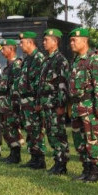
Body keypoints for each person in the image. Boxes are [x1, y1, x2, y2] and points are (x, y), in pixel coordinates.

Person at [68, 28, 98, 182]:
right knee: (80, 140)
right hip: (77, 107)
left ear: (84, 41)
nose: (71, 43)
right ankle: (86, 169)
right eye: (70, 41)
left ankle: (95, 171)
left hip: (90, 106)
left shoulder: (94, 59)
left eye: (74, 40)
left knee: (93, 139)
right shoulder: (76, 60)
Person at [37, 28, 70, 175]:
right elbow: (41, 83)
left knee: (58, 134)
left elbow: (63, 84)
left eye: (46, 40)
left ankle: (62, 163)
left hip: (56, 104)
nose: (43, 42)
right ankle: (57, 161)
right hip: (47, 104)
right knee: (51, 133)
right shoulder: (46, 60)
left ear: (55, 41)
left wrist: (61, 105)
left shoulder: (60, 60)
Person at [17, 31, 47, 169]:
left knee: (36, 130)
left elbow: (40, 83)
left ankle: (40, 159)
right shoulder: (28, 58)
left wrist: (38, 102)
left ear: (30, 42)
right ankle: (34, 157)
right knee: (30, 130)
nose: (20, 45)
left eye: (22, 42)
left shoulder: (38, 58)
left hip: (33, 100)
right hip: (25, 101)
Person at [0, 39, 23, 164]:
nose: (1, 51)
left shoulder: (16, 65)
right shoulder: (8, 66)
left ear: (11, 49)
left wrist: (15, 105)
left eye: (3, 48)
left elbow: (16, 87)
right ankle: (12, 152)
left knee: (12, 128)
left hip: (11, 104)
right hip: (4, 103)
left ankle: (16, 154)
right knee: (6, 128)